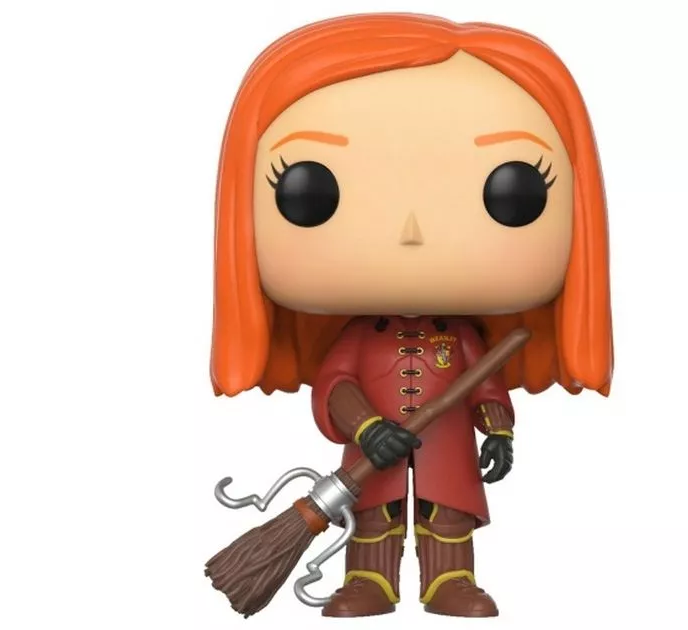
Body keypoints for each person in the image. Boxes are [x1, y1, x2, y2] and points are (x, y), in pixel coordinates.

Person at [209, 13, 613, 618]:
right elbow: (336, 385)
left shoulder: (464, 338)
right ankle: (368, 580)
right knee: (373, 515)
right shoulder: (358, 338)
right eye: (311, 189)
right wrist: (368, 428)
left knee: (447, 515)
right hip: (372, 453)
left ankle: (450, 580)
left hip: (446, 448)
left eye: (514, 191)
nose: (411, 231)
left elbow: (487, 384)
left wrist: (499, 429)